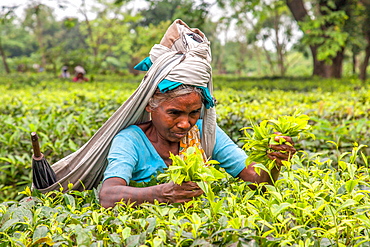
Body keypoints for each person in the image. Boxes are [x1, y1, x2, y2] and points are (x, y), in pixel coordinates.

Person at [99, 20, 296, 208]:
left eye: (194, 113)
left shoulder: (205, 133)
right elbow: (108, 196)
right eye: (174, 113)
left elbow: (256, 181)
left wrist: (274, 161)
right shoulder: (131, 140)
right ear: (150, 105)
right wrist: (162, 194)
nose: (185, 124)